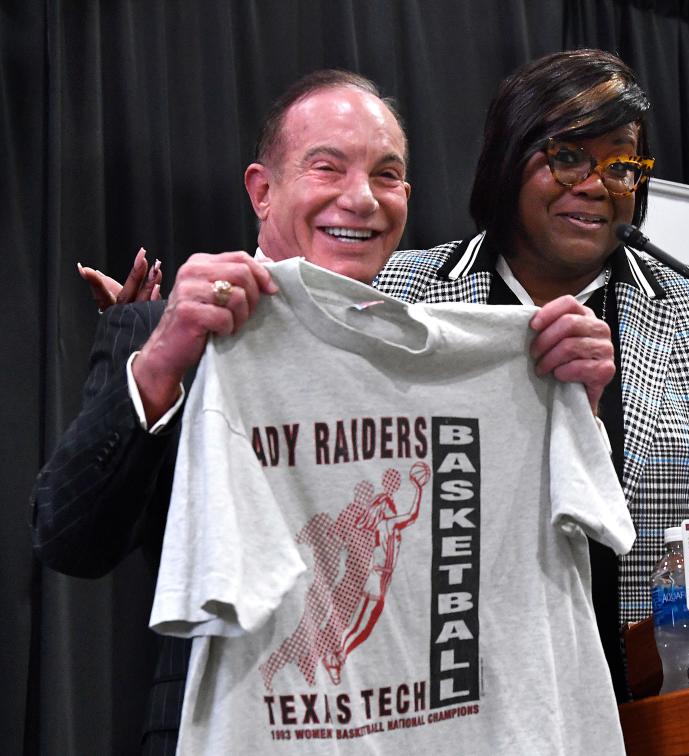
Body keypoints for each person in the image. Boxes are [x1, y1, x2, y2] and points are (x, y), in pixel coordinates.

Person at [31, 68, 613, 753]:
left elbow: (546, 569)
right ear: (262, 190)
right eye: (327, 167)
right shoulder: (173, 332)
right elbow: (69, 539)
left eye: (387, 175)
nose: (360, 198)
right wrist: (162, 362)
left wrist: (573, 408)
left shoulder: (458, 355)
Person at [372, 48, 689, 701]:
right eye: (567, 156)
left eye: (622, 163)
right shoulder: (400, 292)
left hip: (638, 706)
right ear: (506, 157)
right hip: (447, 701)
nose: (597, 184)